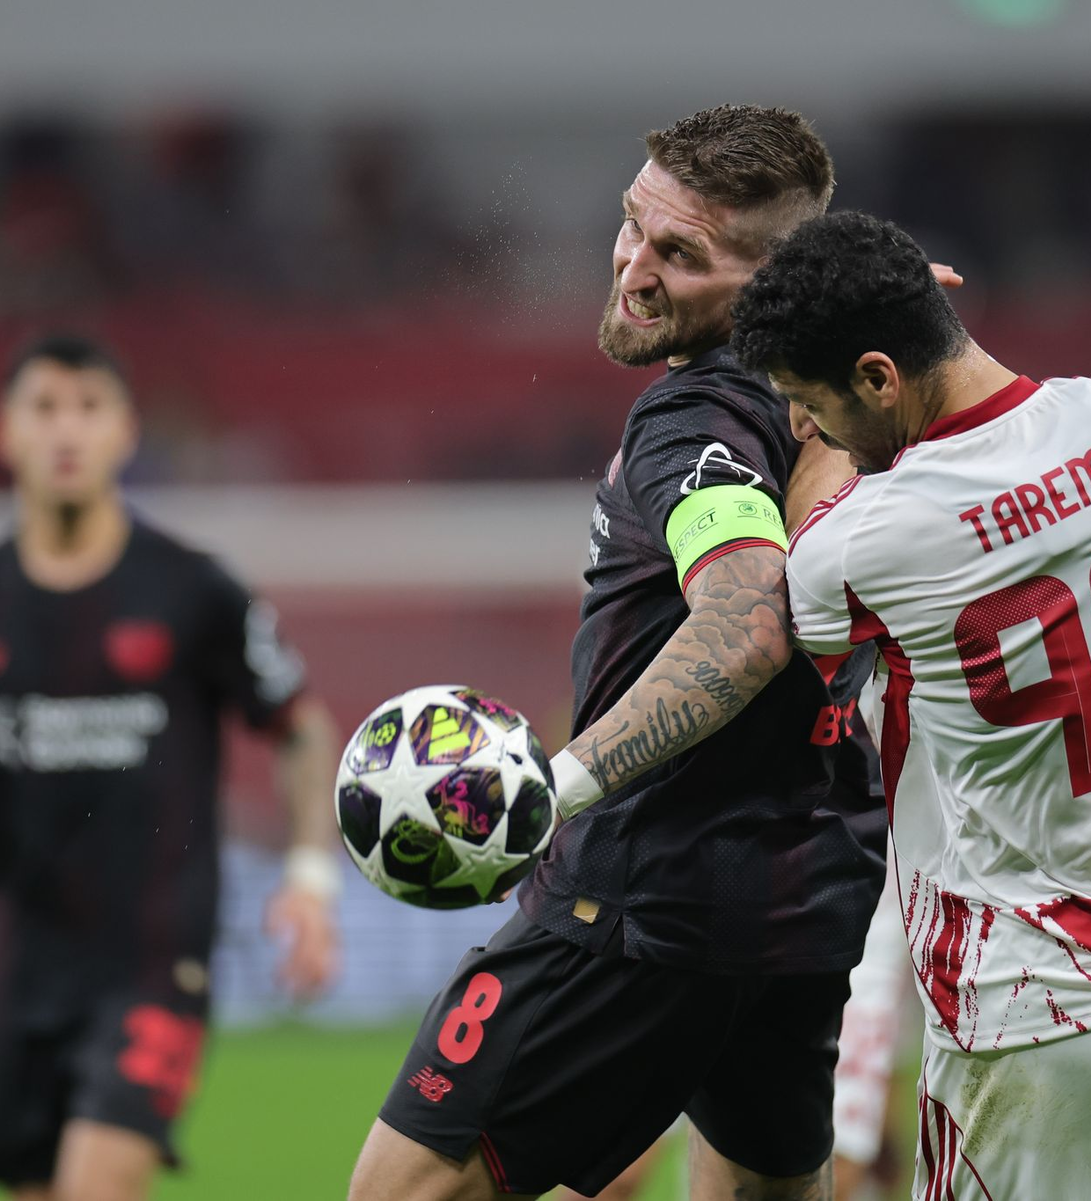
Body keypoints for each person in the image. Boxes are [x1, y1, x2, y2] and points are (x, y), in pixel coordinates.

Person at [350, 105, 891, 1201]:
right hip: (807, 891)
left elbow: (743, 622)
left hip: (641, 903)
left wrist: (562, 783)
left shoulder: (692, 416)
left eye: (681, 255)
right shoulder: (856, 397)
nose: (634, 268)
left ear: (776, 276)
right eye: (634, 226)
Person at [0, 334, 342, 1201]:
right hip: (18, 963)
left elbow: (299, 729)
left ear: (125, 432)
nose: (68, 431)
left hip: (153, 958)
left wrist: (311, 878)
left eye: (89, 408)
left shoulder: (194, 589)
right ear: (4, 431)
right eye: (45, 408)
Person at [730, 209, 1091, 1199]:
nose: (808, 425)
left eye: (810, 402)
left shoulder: (867, 542)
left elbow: (806, 584)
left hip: (1028, 1000)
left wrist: (824, 446)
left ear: (879, 377)